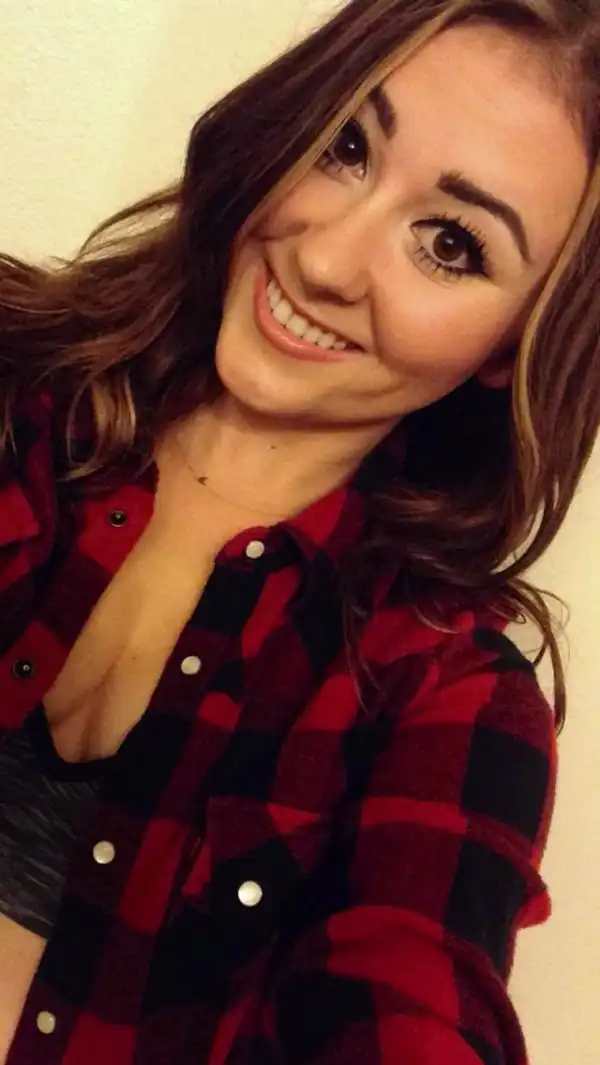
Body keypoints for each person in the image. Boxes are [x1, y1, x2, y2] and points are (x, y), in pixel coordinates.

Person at [0, 0, 597, 1061]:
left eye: (450, 244)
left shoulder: (445, 697)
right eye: (347, 147)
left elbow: (412, 1002)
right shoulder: (15, 388)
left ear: (515, 346)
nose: (326, 260)